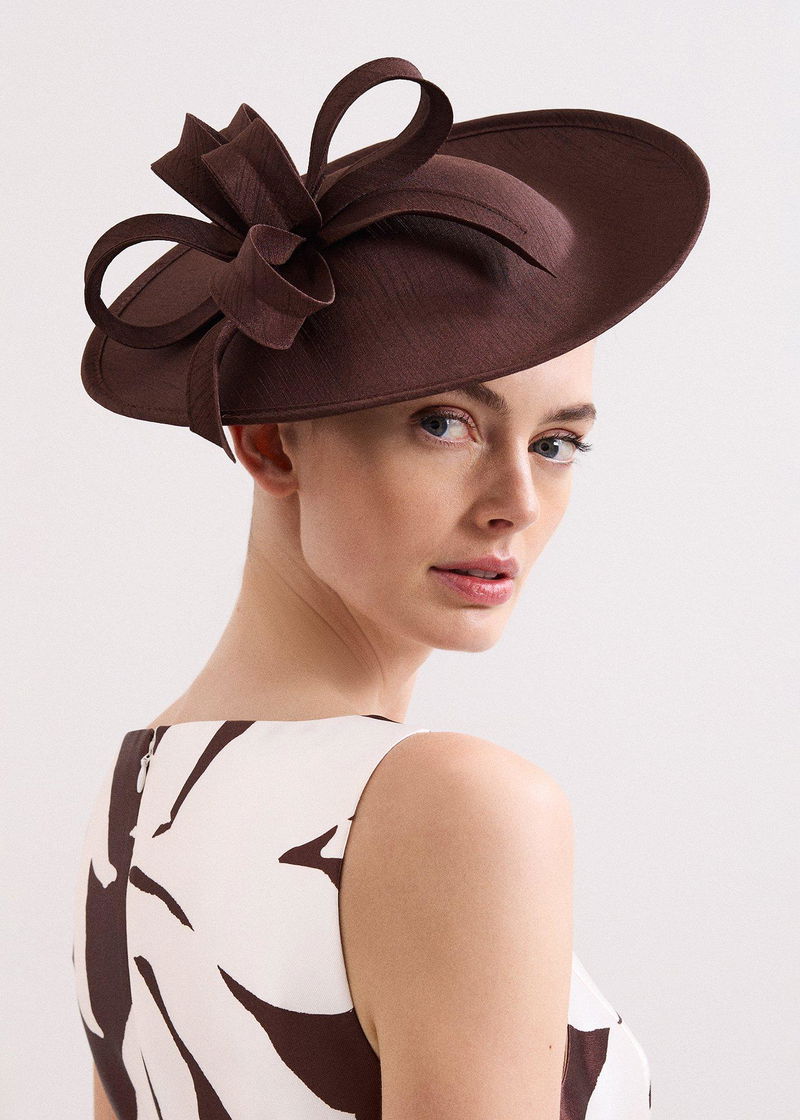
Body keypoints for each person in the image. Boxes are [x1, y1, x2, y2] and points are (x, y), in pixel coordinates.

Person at [72, 56, 710, 1119]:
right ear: (270, 442)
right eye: (443, 423)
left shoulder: (137, 797)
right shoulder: (454, 806)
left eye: (555, 443)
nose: (515, 503)